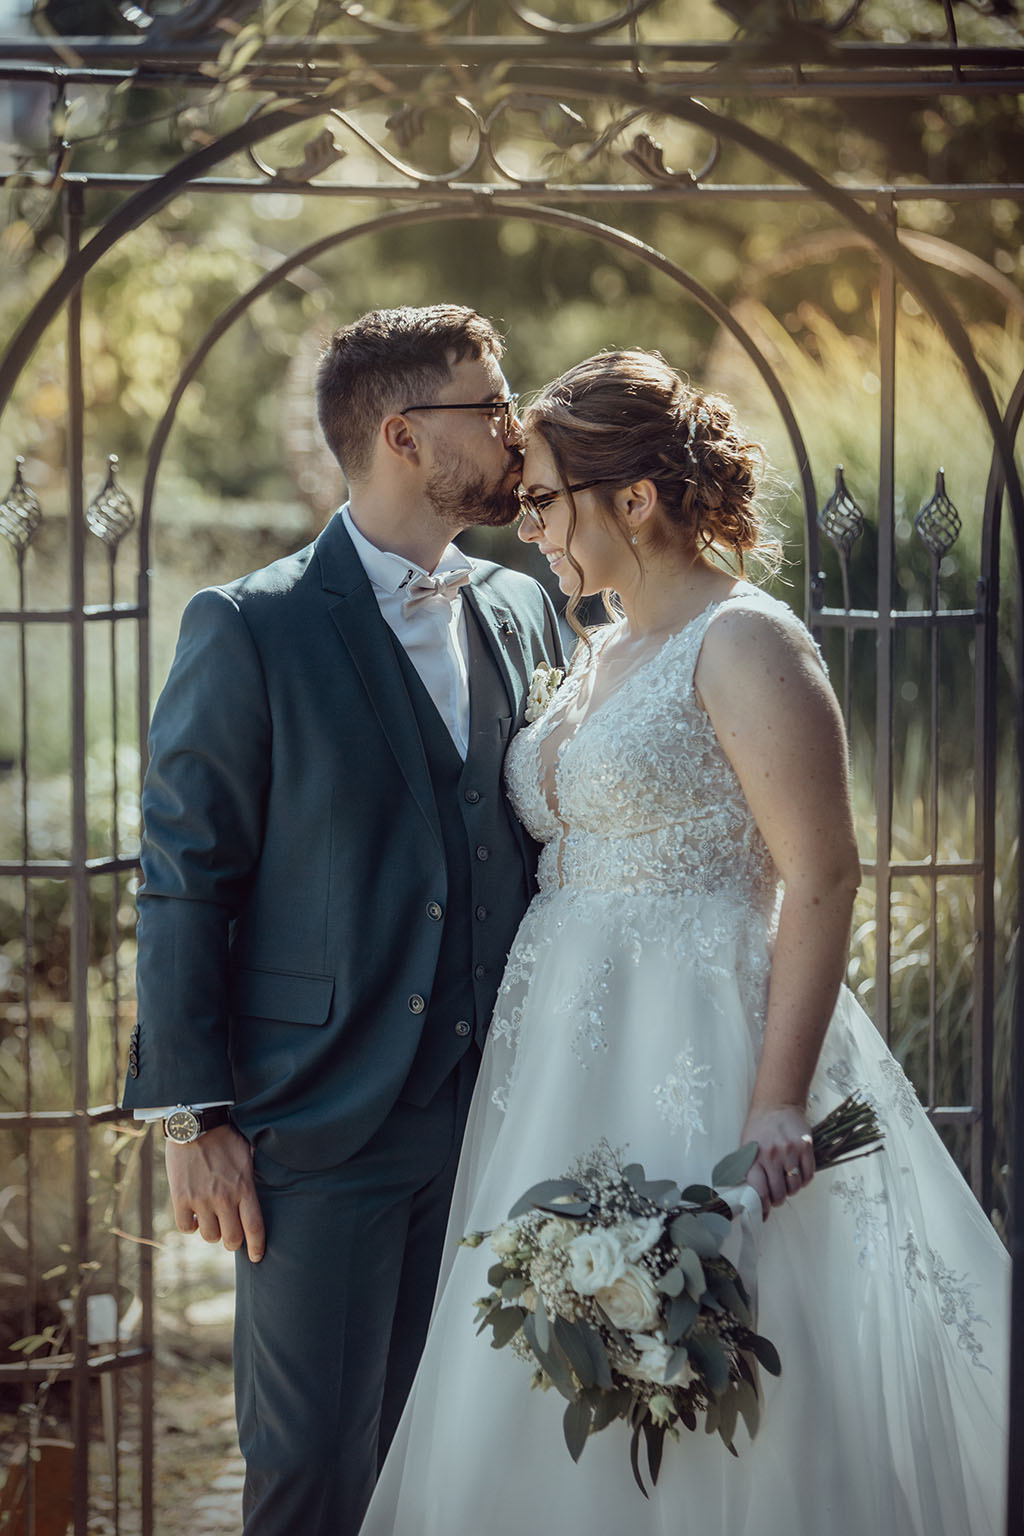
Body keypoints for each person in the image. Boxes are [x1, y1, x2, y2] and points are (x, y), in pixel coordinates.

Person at [360, 349, 1009, 1535]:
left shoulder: (746, 642)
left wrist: (774, 1103)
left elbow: (821, 872)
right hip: (558, 1059)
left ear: (636, 502)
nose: (530, 524)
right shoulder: (597, 651)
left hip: (701, 1043)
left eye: (546, 499)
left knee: (706, 1361)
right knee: (549, 1356)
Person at [121, 304, 563, 1536]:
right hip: (320, 1126)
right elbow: (183, 874)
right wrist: (190, 1113)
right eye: (491, 405)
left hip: (501, 1116)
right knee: (315, 1469)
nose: (514, 429)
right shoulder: (249, 625)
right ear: (404, 435)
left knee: (459, 1465)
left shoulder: (519, 608)